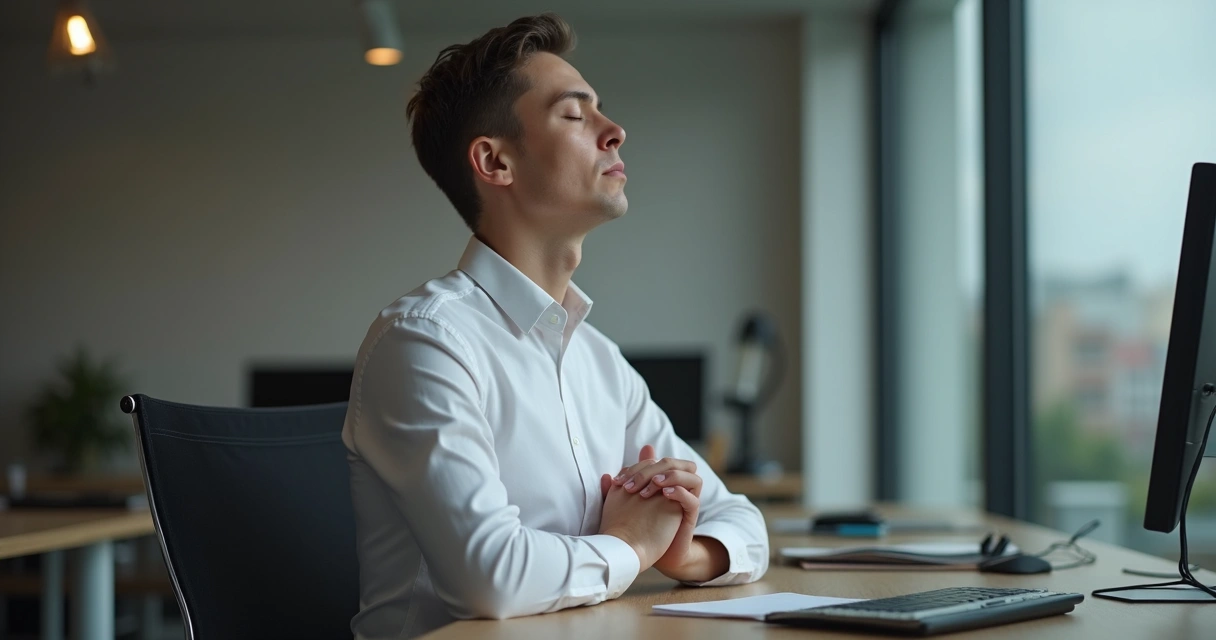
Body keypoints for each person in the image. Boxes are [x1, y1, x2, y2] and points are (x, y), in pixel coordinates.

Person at [341, 13, 769, 639]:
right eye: (575, 115)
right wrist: (627, 546)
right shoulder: (425, 343)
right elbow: (490, 577)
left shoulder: (596, 358)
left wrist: (683, 551)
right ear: (495, 162)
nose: (615, 131)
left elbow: (742, 521)